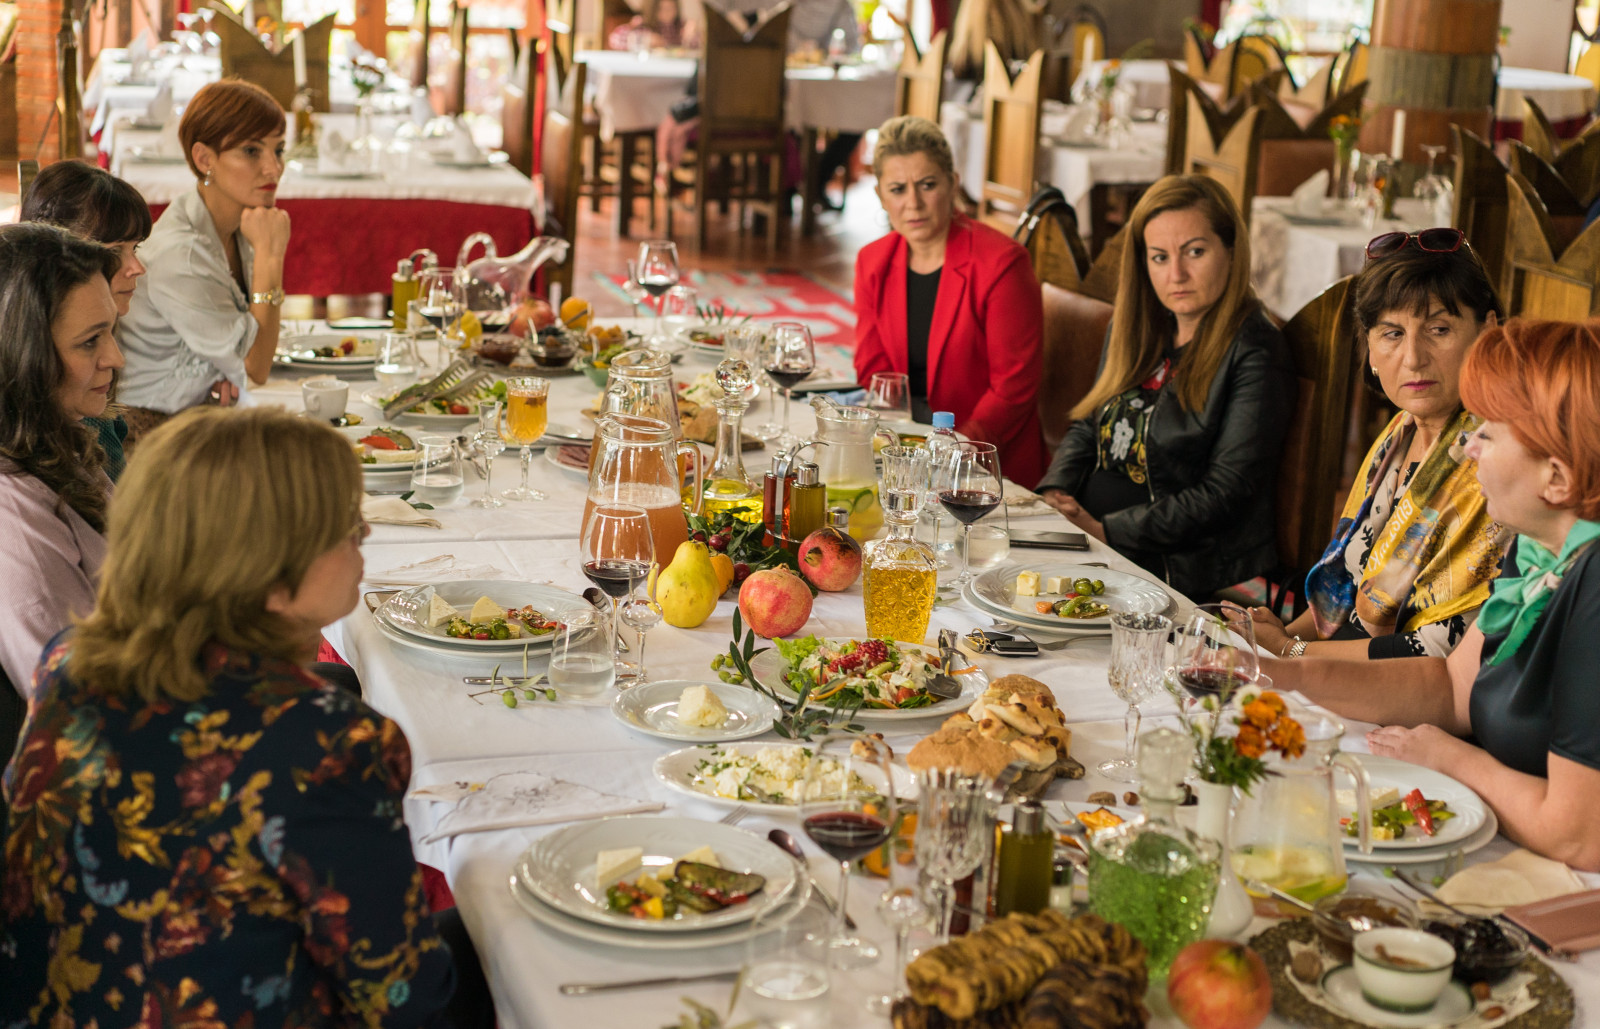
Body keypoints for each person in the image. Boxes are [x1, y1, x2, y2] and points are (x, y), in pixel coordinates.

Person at [0, 407, 482, 1025]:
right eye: (343, 523)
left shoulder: (65, 663)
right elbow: (403, 997)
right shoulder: (330, 742)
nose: (363, 531)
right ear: (268, 574)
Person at [1269, 319, 1600, 871]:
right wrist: (1280, 672)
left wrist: (1452, 758)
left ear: (1558, 479)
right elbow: (1451, 687)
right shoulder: (1541, 546)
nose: (1468, 448)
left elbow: (1579, 837)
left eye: (1489, 433)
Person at [1251, 229, 1507, 661]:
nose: (1413, 358)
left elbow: (1436, 653)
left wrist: (1292, 653)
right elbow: (1349, 589)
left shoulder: (1491, 460)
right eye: (1392, 333)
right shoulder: (1400, 432)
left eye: (1439, 329)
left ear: (1487, 333)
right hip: (1342, 664)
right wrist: (1273, 638)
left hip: (1407, 688)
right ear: (1369, 348)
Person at [1035, 174, 1294, 598]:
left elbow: (1225, 493)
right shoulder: (1138, 326)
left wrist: (1106, 530)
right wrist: (1055, 493)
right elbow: (1090, 424)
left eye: (1195, 252)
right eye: (1159, 257)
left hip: (1177, 565)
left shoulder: (1256, 350)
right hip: (1093, 540)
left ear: (1231, 250)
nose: (1177, 274)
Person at [853, 115, 1048, 485]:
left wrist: (953, 450)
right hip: (906, 452)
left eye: (927, 185)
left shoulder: (1001, 263)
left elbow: (1014, 387)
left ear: (953, 183)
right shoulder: (872, 261)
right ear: (880, 195)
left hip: (988, 462)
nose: (913, 203)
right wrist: (899, 451)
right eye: (897, 189)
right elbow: (873, 371)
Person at [117, 78, 291, 439]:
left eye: (279, 150)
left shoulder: (235, 222)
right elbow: (257, 366)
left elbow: (245, 355)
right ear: (204, 158)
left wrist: (217, 375)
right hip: (149, 435)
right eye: (252, 151)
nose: (273, 169)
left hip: (199, 413)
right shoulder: (182, 254)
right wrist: (270, 257)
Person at [0, 223, 121, 698]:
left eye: (111, 331)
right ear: (22, 356)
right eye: (90, 341)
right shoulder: (16, 522)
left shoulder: (50, 435)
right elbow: (80, 705)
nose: (116, 357)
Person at [20, 160, 153, 479]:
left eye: (135, 248)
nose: (137, 267)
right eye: (115, 251)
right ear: (57, 255)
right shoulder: (69, 383)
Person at [609, 0, 699, 49]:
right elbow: (615, 39)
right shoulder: (643, 24)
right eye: (661, 9)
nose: (667, 13)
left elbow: (696, 47)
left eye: (671, 8)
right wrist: (646, 39)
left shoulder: (681, 26)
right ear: (653, 9)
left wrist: (691, 36)